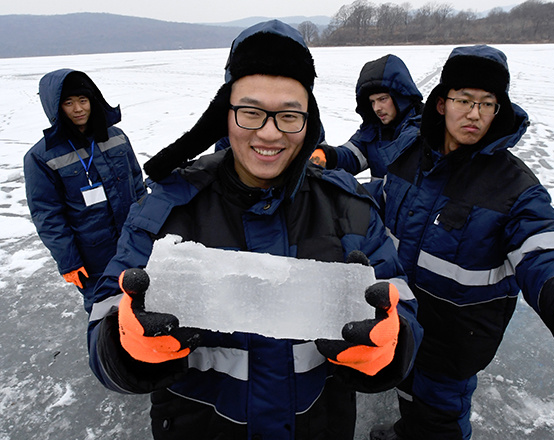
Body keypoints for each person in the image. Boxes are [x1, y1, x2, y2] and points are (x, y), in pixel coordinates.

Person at [86, 20, 422, 440]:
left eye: (289, 115)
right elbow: (103, 321)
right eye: (251, 112)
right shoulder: (166, 208)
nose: (269, 132)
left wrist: (388, 346)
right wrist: (126, 346)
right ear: (224, 114)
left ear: (309, 121)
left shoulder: (349, 206)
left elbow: (402, 308)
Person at [368, 45, 554, 439]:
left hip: (453, 341)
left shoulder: (512, 186)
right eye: (464, 100)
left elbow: (543, 245)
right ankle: (408, 430)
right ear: (441, 103)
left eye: (487, 104)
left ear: (498, 110)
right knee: (406, 389)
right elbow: (378, 199)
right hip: (401, 320)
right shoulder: (407, 157)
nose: (474, 114)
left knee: (440, 417)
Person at [24, 69, 146, 313]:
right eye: (69, 103)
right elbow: (47, 215)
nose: (78, 109)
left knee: (145, 305)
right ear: (56, 107)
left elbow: (137, 185)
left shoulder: (117, 137)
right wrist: (69, 261)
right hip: (93, 257)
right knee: (106, 313)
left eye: (83, 100)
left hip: (134, 243)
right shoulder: (41, 157)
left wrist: (148, 229)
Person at [311, 54, 423, 180]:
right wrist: (327, 156)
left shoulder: (425, 131)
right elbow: (352, 156)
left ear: (400, 96)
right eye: (372, 102)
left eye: (382, 99)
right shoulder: (373, 131)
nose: (376, 108)